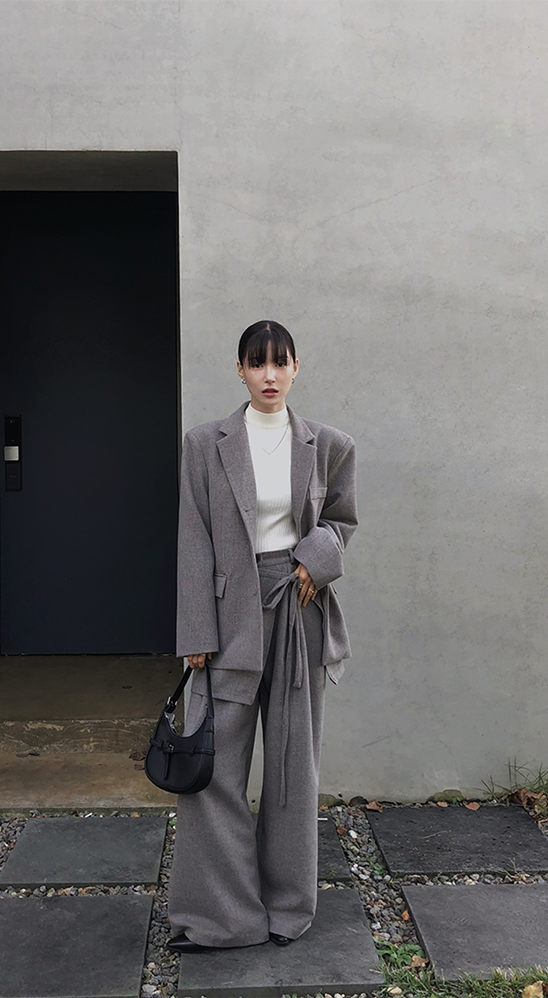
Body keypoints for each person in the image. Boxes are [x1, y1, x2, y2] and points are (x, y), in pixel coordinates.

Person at [167, 319, 358, 952]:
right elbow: (193, 536)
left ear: (296, 367)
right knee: (213, 768)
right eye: (257, 363)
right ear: (240, 370)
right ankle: (221, 919)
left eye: (280, 363)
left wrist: (313, 562)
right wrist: (196, 631)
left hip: (298, 610)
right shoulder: (205, 443)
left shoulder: (329, 445)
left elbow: (341, 521)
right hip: (228, 618)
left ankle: (286, 909)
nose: (269, 375)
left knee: (292, 767)